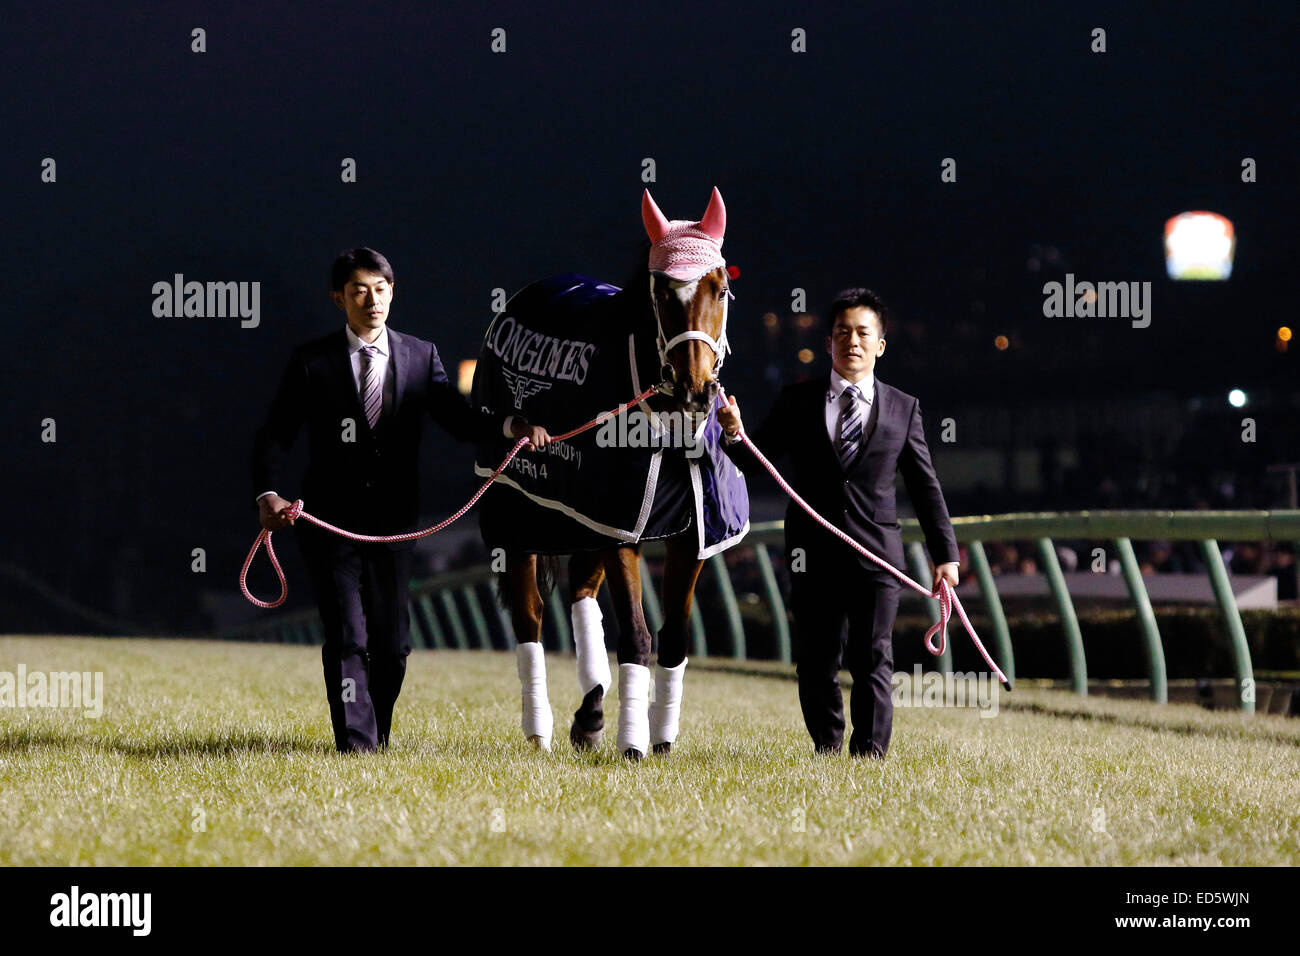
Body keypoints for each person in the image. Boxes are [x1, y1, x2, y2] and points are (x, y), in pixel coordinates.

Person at [251, 247, 549, 753]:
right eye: (359, 290)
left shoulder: (420, 355)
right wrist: (269, 494)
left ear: (393, 292)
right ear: (338, 299)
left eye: (381, 288)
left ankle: (378, 735)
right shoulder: (312, 361)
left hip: (394, 525)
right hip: (327, 522)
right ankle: (357, 746)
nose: (372, 300)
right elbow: (273, 436)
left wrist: (510, 425)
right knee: (348, 637)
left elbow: (457, 420)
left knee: (393, 647)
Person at [718, 288, 959, 758]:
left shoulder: (902, 408)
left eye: (863, 333)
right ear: (828, 341)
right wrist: (732, 432)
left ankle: (869, 753)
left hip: (877, 554)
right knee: (815, 660)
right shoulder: (797, 400)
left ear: (880, 344)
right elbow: (756, 460)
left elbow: (925, 486)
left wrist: (945, 554)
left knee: (873, 657)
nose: (853, 341)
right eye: (843, 332)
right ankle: (827, 747)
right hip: (812, 551)